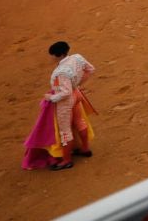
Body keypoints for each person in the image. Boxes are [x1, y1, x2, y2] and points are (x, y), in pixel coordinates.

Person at [21, 42, 96, 171]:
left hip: (66, 102)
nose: (52, 58)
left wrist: (51, 97)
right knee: (80, 121)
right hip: (77, 93)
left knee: (65, 132)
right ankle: (85, 148)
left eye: (53, 56)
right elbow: (90, 69)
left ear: (58, 55)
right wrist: (77, 84)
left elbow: (65, 93)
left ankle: (66, 160)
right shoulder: (77, 57)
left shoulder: (59, 72)